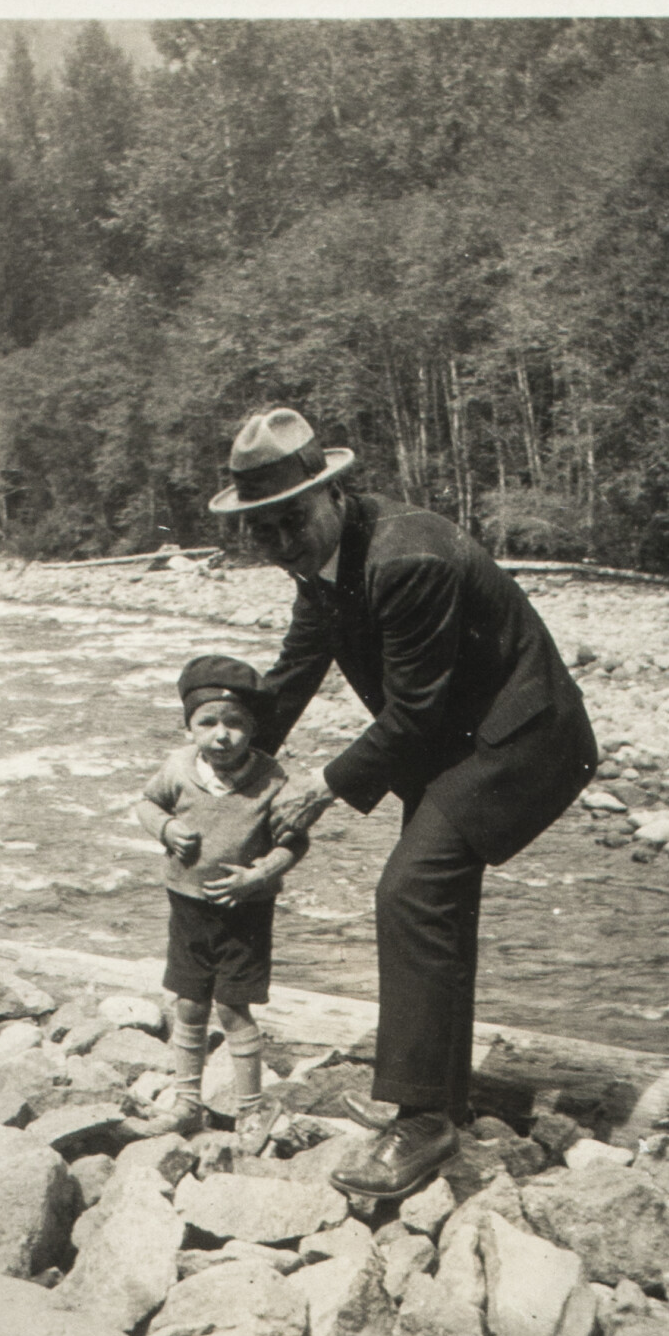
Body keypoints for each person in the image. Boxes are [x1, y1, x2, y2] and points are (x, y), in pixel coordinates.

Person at [210, 407, 598, 1199]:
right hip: (456, 734)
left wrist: (319, 787)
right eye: (263, 530)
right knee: (434, 898)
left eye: (291, 522)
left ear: (334, 494)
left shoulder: (405, 558)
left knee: (412, 890)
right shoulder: (321, 560)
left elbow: (414, 712)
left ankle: (423, 1121)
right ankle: (431, 1092)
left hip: (522, 736)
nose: (281, 543)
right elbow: (296, 668)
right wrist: (227, 758)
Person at [131, 653, 307, 1154]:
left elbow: (294, 841)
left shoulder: (273, 779)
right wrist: (165, 828)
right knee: (189, 1002)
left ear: (253, 728)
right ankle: (187, 1101)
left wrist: (260, 874)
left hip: (245, 913)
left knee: (233, 1007)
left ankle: (251, 1107)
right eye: (207, 723)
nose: (221, 735)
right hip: (187, 906)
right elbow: (145, 803)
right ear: (190, 727)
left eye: (235, 723)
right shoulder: (179, 769)